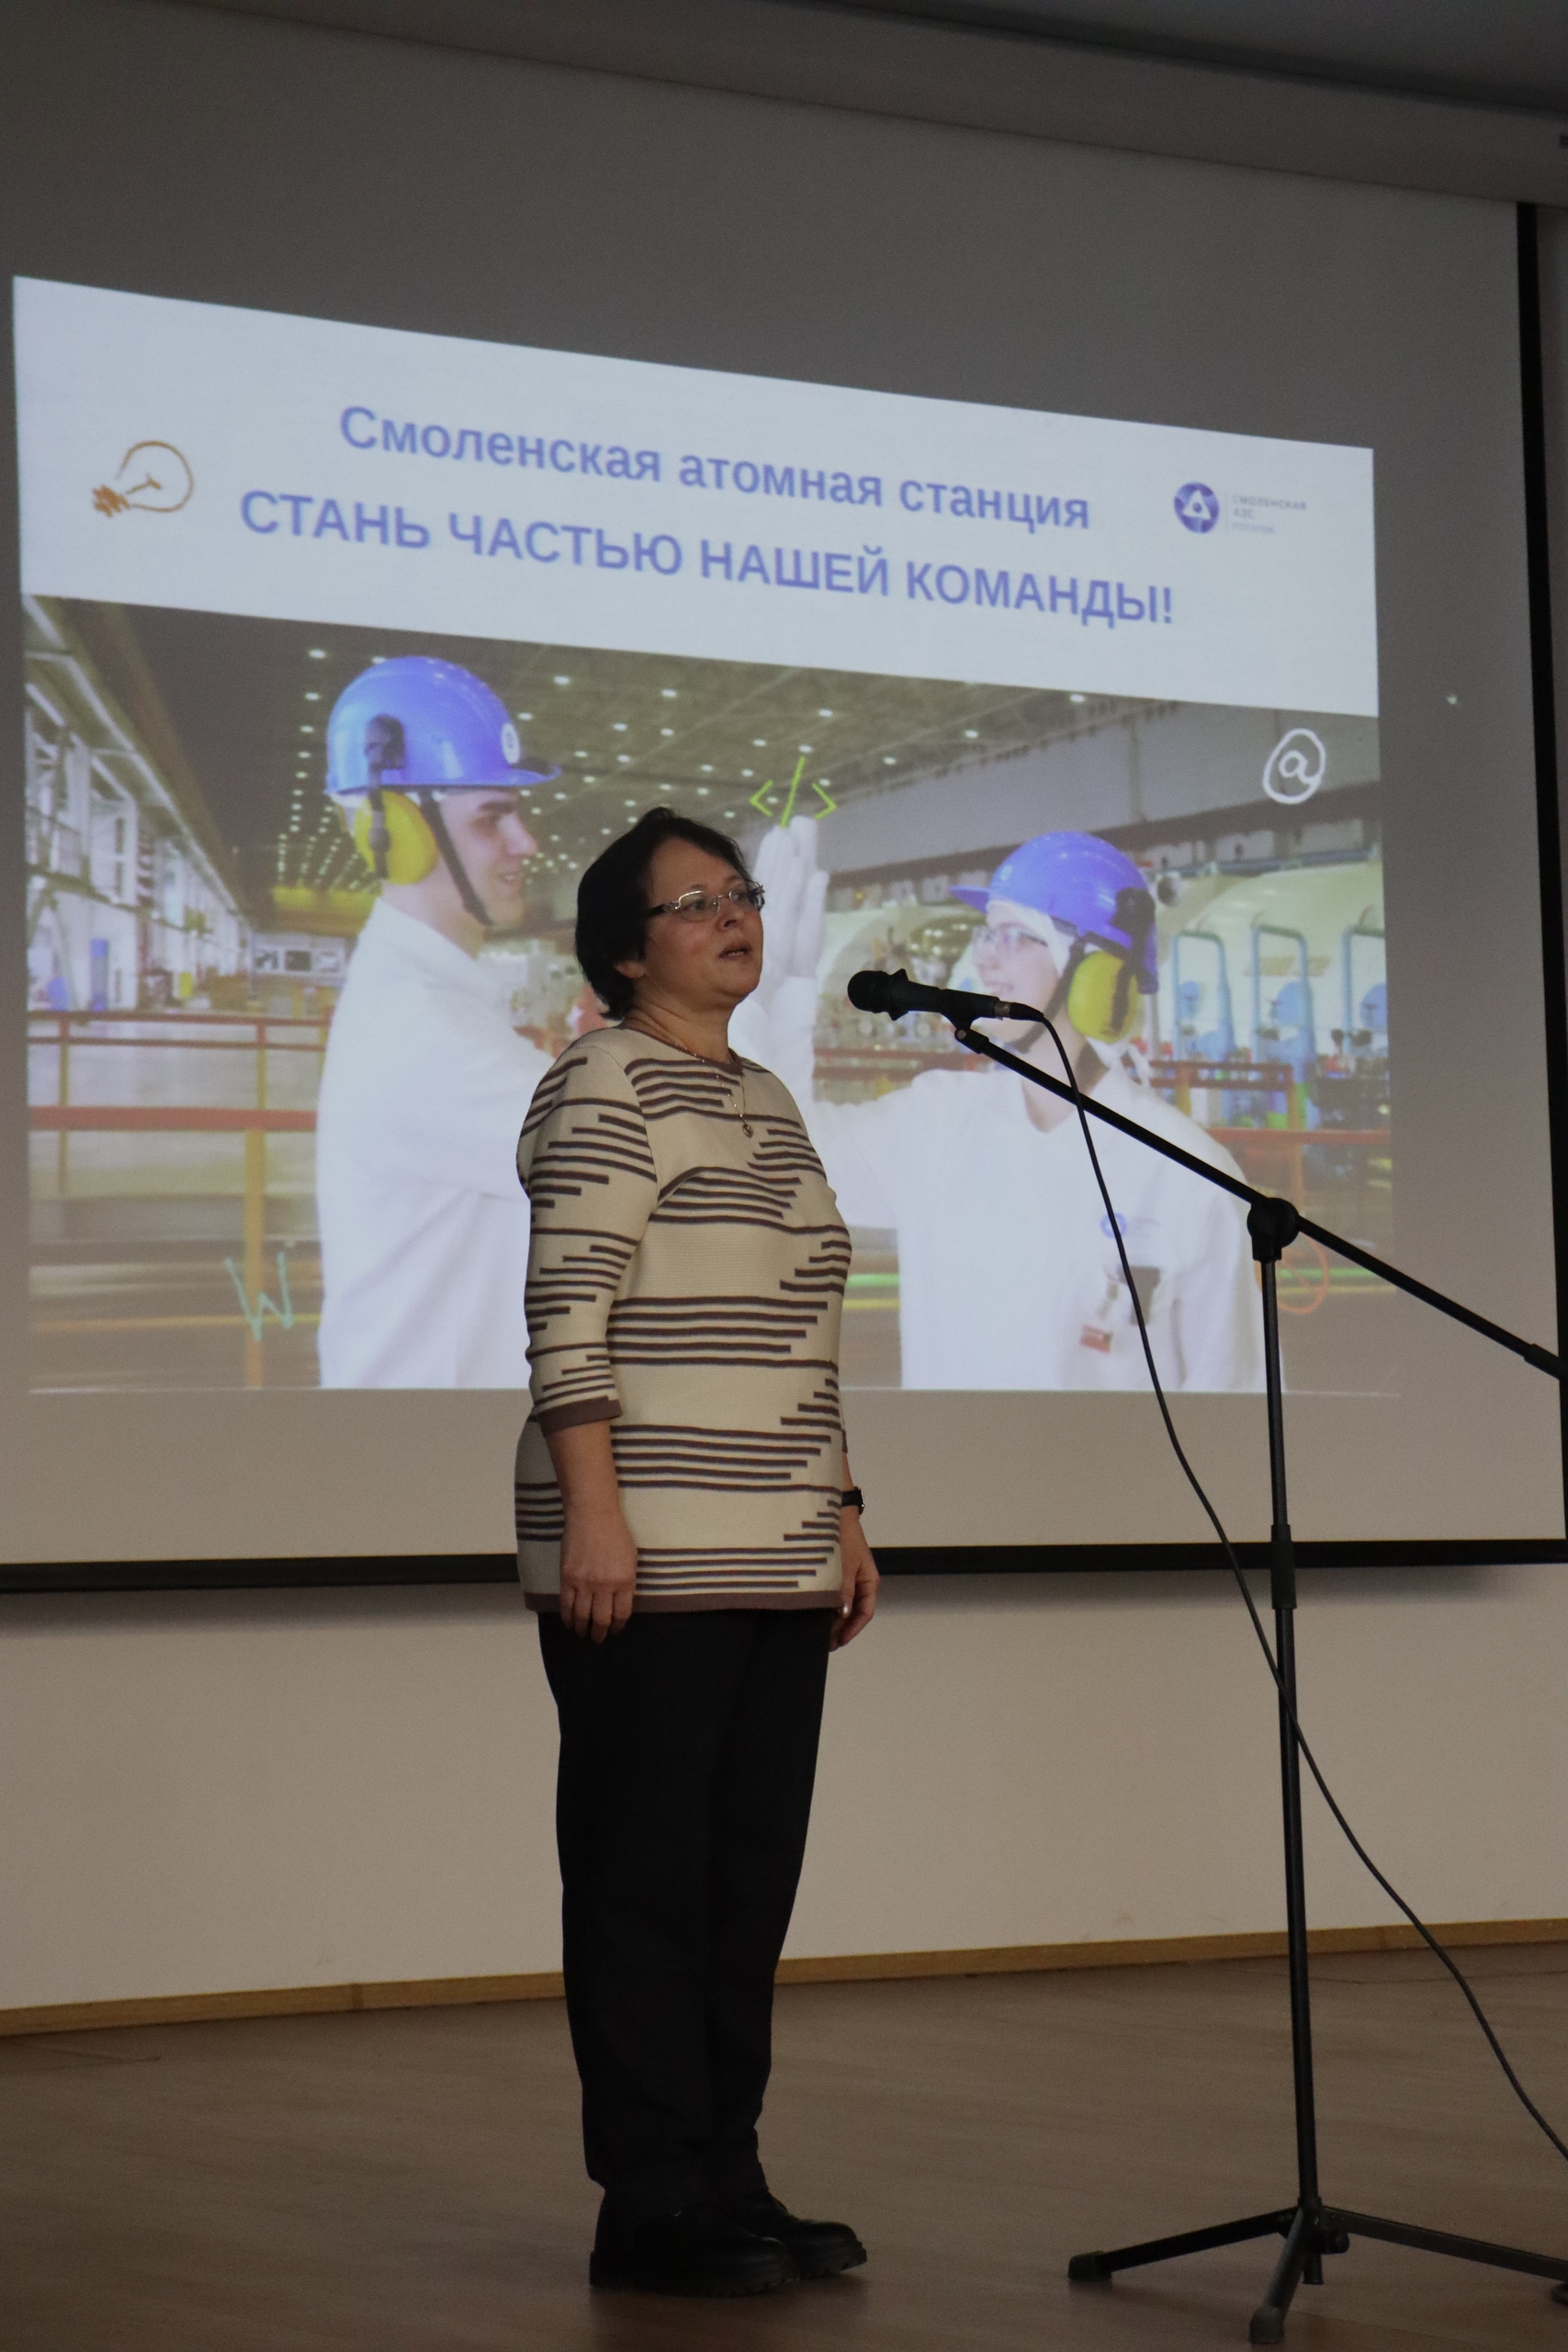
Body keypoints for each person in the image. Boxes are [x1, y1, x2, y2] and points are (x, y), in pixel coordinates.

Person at [514, 808, 878, 2298]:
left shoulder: (767, 1096)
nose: (733, 916)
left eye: (741, 894)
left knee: (745, 1885)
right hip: (647, 1548)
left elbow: (804, 1330)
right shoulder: (599, 1081)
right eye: (694, 902)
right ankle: (649, 2199)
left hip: (778, 1544)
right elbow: (565, 1315)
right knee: (643, 1882)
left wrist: (842, 1504)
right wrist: (595, 1514)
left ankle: (729, 2174)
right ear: (622, 949)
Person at [736, 821, 1263, 1392]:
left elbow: (1233, 1402)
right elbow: (780, 1157)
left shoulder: (1189, 1174)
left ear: (1093, 971)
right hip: (951, 1454)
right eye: (985, 934)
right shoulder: (937, 1123)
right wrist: (768, 1001)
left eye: (1012, 936)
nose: (984, 959)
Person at [315, 655, 558, 1386]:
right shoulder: (423, 1032)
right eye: (492, 817)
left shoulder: (428, 997)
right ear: (394, 829)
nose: (526, 842)